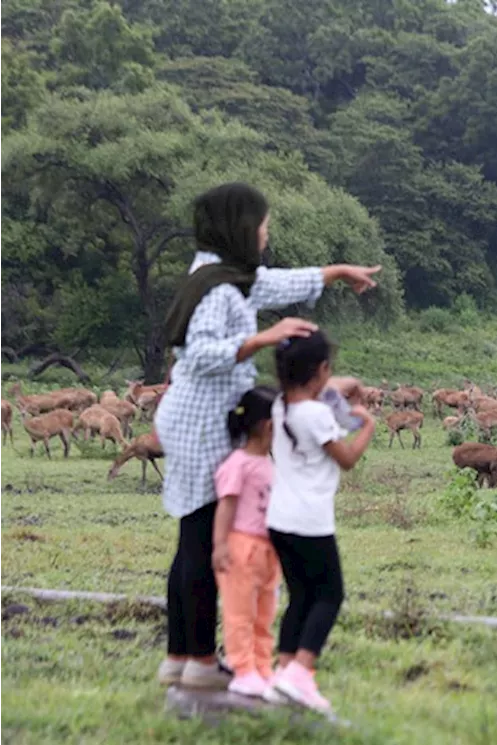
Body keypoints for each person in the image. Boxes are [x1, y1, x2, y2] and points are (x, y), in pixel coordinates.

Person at [154, 182, 379, 689]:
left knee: (193, 537)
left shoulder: (225, 275)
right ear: (239, 227)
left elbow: (274, 283)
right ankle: (200, 663)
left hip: (205, 416)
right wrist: (263, 338)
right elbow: (200, 354)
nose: (265, 232)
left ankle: (181, 657)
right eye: (260, 224)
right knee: (201, 540)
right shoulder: (216, 288)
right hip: (199, 420)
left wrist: (337, 273)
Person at [265, 330, 375, 713]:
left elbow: (331, 386)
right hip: (310, 520)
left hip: (278, 519)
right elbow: (345, 459)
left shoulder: (279, 406)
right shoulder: (315, 415)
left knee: (300, 596)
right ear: (321, 370)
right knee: (329, 595)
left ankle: (283, 671)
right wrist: (368, 427)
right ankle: (302, 672)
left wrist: (345, 383)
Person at [212, 386, 280, 698]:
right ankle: (241, 668)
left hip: (269, 552)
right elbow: (226, 506)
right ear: (269, 426)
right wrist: (220, 545)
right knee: (240, 612)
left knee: (265, 612)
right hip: (242, 548)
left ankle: (262, 666)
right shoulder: (238, 464)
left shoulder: (270, 464)